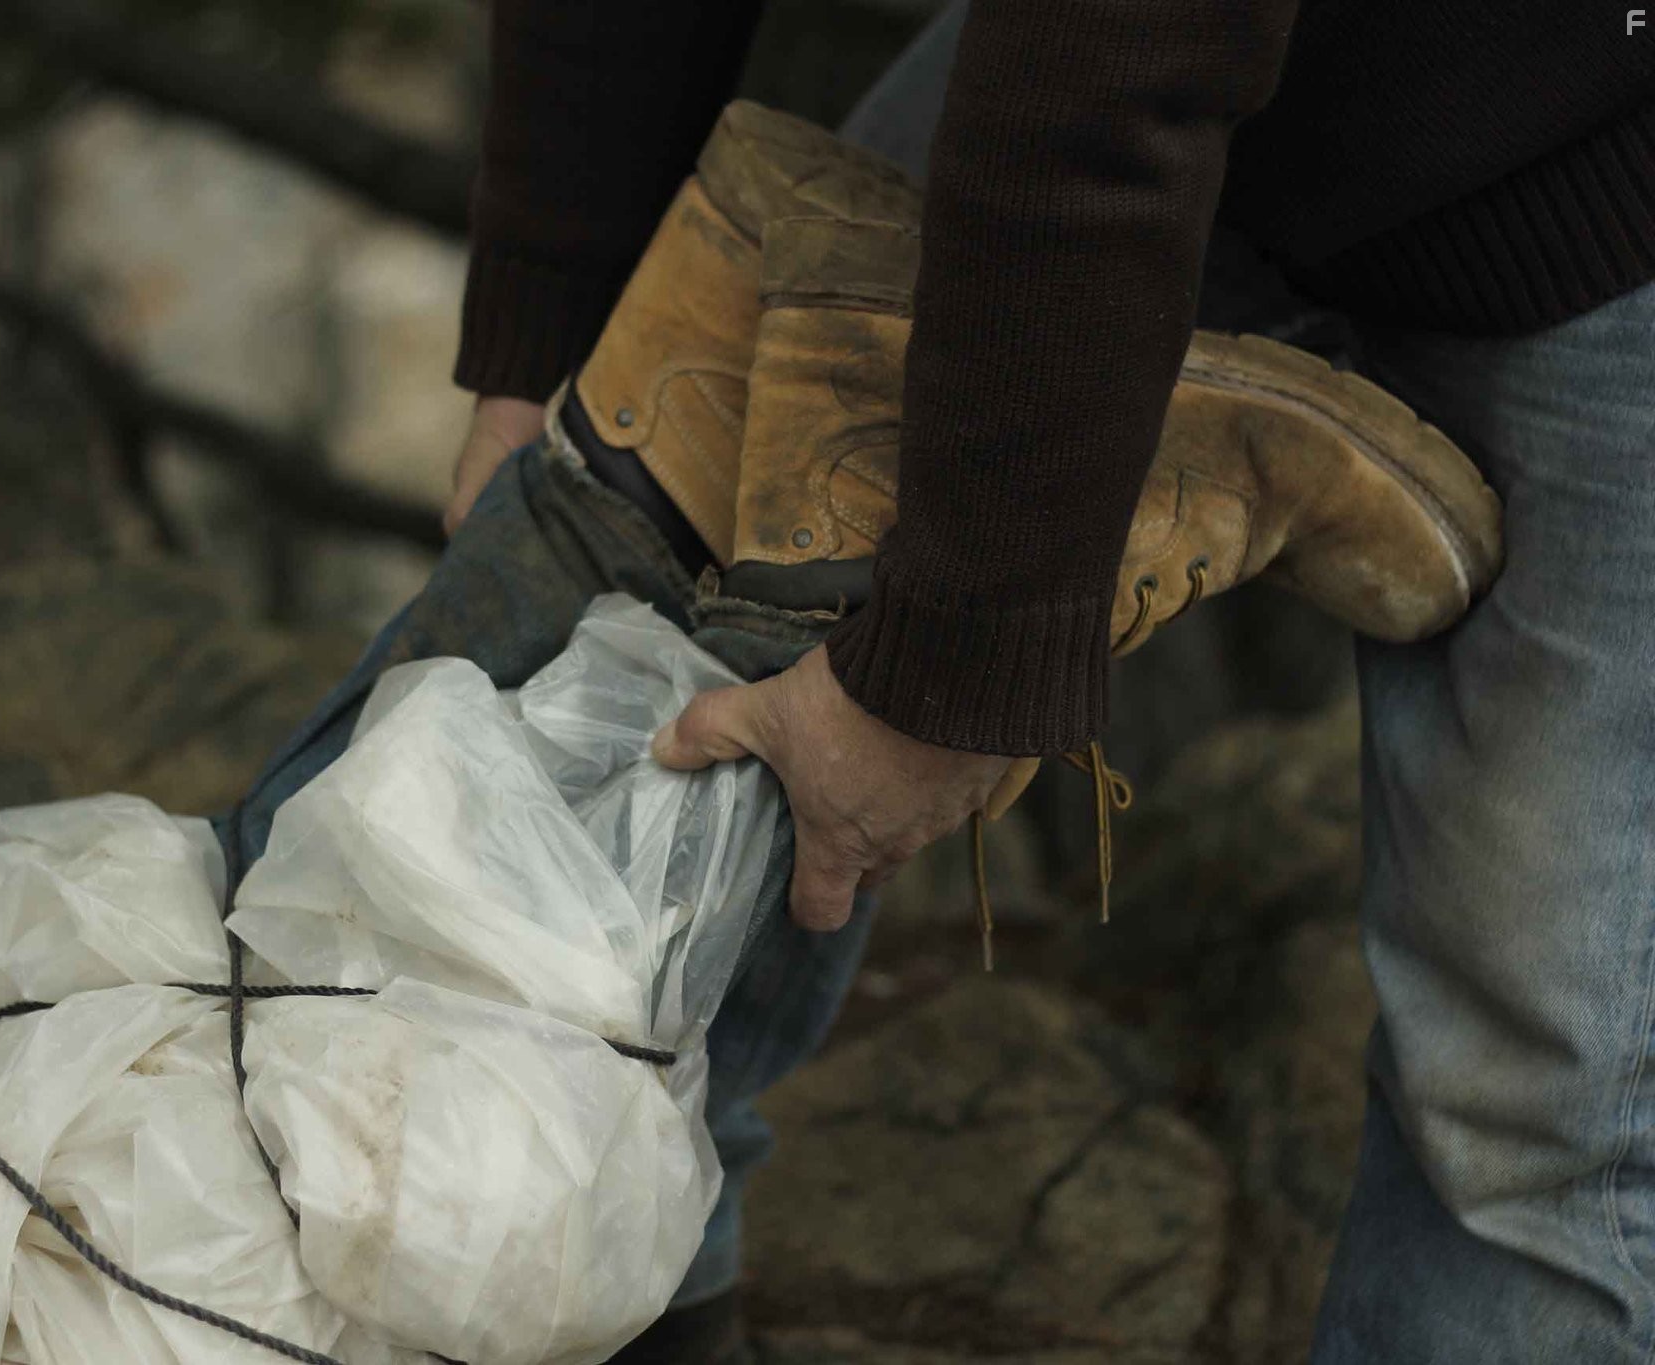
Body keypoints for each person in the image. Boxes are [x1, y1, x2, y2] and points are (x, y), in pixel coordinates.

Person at [423, 2, 1655, 1362]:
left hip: (1594, 135)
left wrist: (949, 667)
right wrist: (550, 339)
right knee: (592, 770)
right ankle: (611, 1306)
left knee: (1538, 1102)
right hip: (1091, 69)